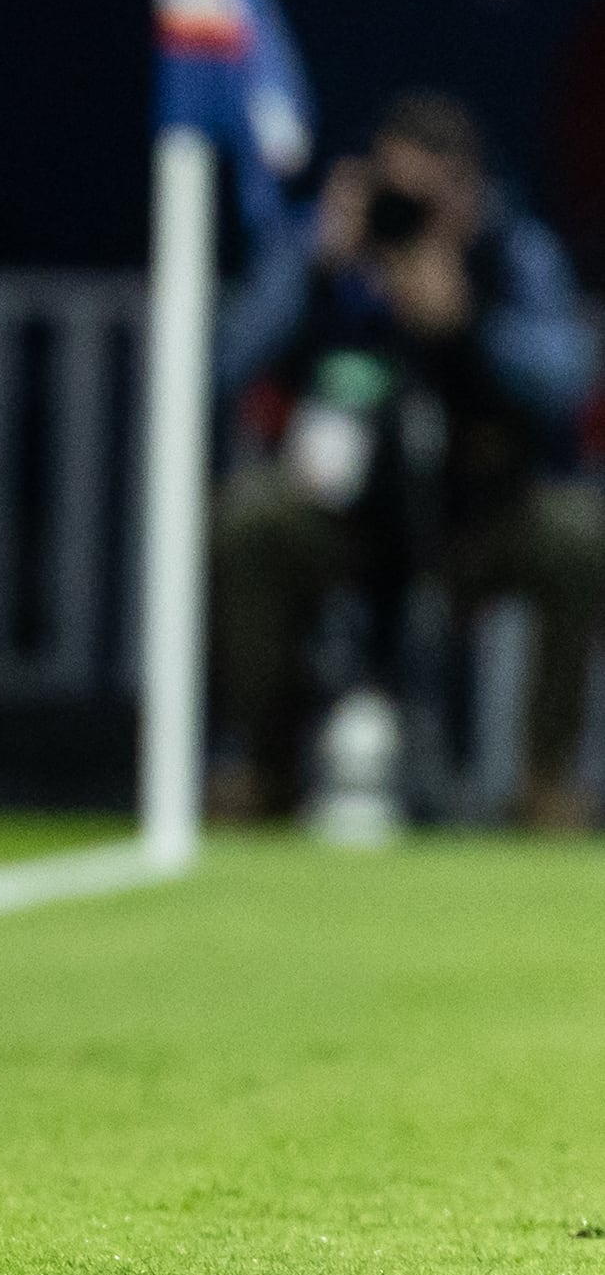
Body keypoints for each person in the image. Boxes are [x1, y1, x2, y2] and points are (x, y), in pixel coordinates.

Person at [211, 91, 603, 828]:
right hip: (346, 513)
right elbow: (223, 361)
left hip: (477, 519)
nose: (406, 216)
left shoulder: (511, 252)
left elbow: (567, 377)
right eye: (394, 192)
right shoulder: (325, 247)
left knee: (580, 537)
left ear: (468, 192)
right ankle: (266, 773)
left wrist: (467, 324)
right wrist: (314, 265)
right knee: (245, 523)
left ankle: (544, 783)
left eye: (428, 198)